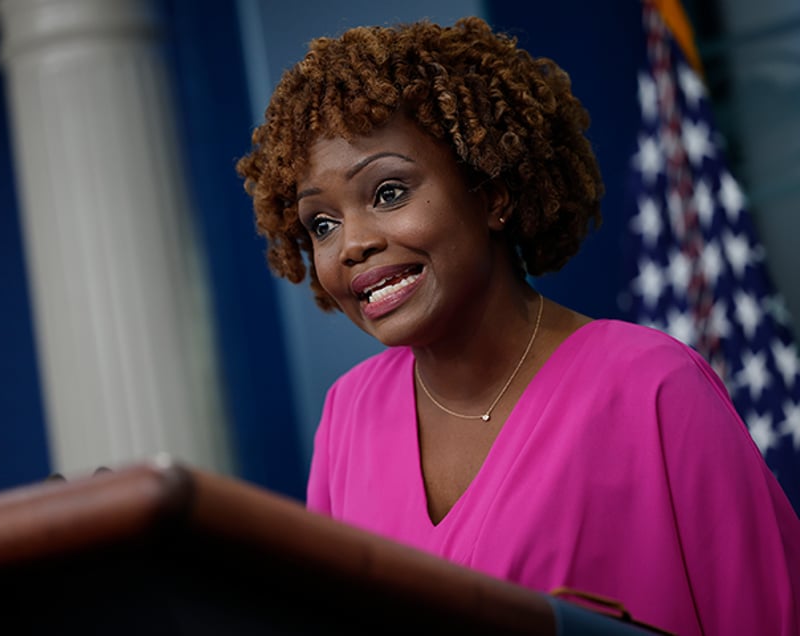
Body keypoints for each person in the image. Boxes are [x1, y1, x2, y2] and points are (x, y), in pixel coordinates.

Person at [237, 16, 800, 636]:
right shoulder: (349, 413)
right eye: (322, 224)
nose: (352, 244)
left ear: (492, 194)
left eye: (389, 192)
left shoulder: (654, 388)